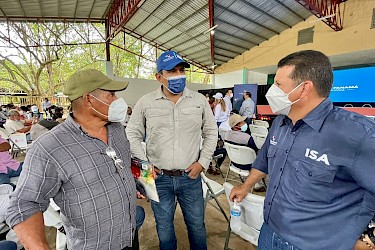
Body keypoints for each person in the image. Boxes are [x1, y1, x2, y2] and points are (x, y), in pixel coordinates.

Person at [229, 50, 375, 249]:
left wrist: (369, 238)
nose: (272, 91)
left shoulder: (357, 135)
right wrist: (245, 186)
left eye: (278, 85)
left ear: (304, 88)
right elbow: (263, 161)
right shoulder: (280, 123)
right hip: (269, 232)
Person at [7, 69, 140, 250]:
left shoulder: (116, 129)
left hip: (129, 237)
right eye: (111, 94)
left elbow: (120, 164)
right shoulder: (50, 148)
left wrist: (134, 182)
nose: (117, 101)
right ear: (88, 99)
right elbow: (24, 204)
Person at [126, 50, 217, 250]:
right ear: (159, 76)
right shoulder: (146, 103)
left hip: (190, 177)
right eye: (172, 71)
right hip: (158, 178)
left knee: (197, 226)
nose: (178, 75)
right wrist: (145, 165)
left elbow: (211, 132)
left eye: (181, 70)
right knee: (164, 228)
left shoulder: (199, 101)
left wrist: (202, 162)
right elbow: (131, 134)